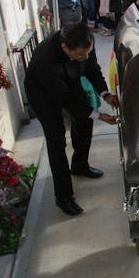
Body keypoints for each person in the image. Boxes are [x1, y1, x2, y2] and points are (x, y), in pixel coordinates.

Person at [24, 23, 119, 216]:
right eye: (80, 56)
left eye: (87, 53)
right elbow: (64, 99)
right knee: (56, 139)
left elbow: (92, 69)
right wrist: (100, 115)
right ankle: (64, 196)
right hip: (43, 92)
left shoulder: (83, 44)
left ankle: (80, 165)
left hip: (69, 82)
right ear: (65, 48)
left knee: (84, 122)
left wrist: (106, 94)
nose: (84, 58)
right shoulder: (46, 60)